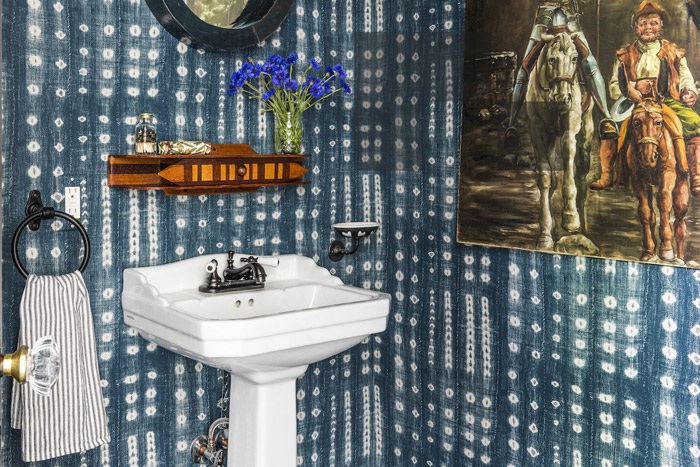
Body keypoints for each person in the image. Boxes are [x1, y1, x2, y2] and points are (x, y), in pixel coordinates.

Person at [590, 1, 700, 195]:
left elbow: (686, 78)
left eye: (653, 23)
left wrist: (688, 91)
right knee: (609, 126)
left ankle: (697, 177)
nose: (648, 27)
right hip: (633, 102)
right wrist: (634, 87)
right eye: (643, 24)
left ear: (661, 26)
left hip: (666, 100)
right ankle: (607, 175)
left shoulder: (673, 52)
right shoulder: (624, 55)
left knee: (695, 123)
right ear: (636, 28)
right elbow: (614, 88)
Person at [504, 0, 618, 148]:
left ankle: (606, 118)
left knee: (591, 66)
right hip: (543, 25)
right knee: (523, 71)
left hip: (570, 23)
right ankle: (511, 125)